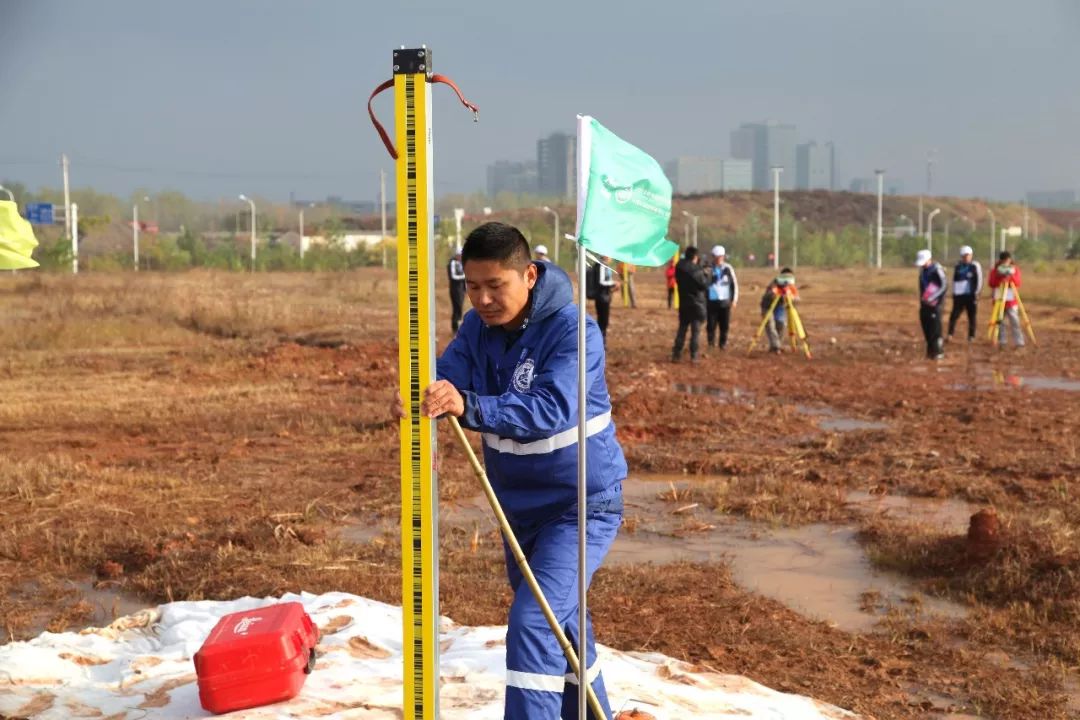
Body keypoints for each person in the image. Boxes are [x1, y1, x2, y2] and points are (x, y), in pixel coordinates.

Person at [401, 222, 624, 719]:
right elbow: (448, 376)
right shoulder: (476, 329)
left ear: (528, 275)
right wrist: (425, 395)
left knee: (532, 624)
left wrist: (469, 406)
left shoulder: (574, 330)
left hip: (579, 506)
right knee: (562, 625)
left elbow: (551, 408)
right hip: (518, 511)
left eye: (494, 285)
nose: (481, 299)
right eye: (471, 286)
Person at [671, 247, 710, 362]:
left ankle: (676, 354)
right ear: (695, 257)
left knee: (682, 329)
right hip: (697, 304)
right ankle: (694, 355)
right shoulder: (697, 270)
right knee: (695, 332)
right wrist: (706, 274)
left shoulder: (679, 267)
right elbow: (704, 285)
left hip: (684, 302)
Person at [988, 250, 1025, 348]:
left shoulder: (1014, 270)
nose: (1006, 263)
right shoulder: (995, 271)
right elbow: (991, 283)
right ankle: (1002, 342)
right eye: (1004, 260)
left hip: (1011, 301)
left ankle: (1019, 342)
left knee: (1015, 321)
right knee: (1000, 322)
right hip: (999, 300)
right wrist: (999, 276)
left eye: (1007, 260)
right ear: (1000, 261)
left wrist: (1010, 276)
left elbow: (1017, 283)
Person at [947, 245, 983, 343]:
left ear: (971, 255)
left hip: (971, 296)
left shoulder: (975, 266)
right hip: (959, 296)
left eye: (968, 255)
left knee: (972, 316)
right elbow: (954, 280)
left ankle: (971, 336)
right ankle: (950, 334)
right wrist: (953, 292)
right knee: (954, 315)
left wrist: (977, 292)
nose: (966, 257)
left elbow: (979, 279)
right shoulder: (958, 266)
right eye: (964, 256)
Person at [916, 248, 948, 360]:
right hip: (924, 304)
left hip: (936, 305)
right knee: (926, 327)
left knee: (935, 329)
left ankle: (938, 352)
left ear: (929, 259)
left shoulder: (937, 270)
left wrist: (932, 298)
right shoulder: (922, 271)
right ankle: (930, 352)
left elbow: (944, 286)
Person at [706, 245, 739, 350]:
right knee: (711, 324)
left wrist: (734, 300)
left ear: (723, 256)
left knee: (724, 325)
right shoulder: (708, 269)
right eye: (716, 256)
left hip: (725, 301)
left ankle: (722, 344)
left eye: (720, 256)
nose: (718, 259)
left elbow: (734, 285)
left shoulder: (728, 269)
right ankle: (711, 344)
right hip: (711, 301)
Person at [760, 268, 798, 353]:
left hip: (780, 308)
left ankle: (776, 345)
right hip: (768, 307)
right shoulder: (774, 284)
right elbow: (769, 296)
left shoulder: (791, 286)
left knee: (781, 326)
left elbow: (796, 298)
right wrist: (780, 294)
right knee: (770, 325)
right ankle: (776, 346)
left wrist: (790, 297)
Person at [592, 255, 617, 343]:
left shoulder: (602, 265)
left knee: (602, 321)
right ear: (605, 256)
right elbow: (601, 282)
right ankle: (601, 341)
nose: (611, 258)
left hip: (603, 296)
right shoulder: (602, 266)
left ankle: (601, 340)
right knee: (603, 321)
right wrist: (613, 283)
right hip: (602, 297)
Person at [447, 246, 466, 333]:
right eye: (460, 255)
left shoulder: (461, 262)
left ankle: (457, 327)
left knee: (460, 308)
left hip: (461, 288)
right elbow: (453, 276)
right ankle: (455, 328)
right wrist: (464, 277)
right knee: (457, 308)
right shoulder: (452, 263)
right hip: (455, 289)